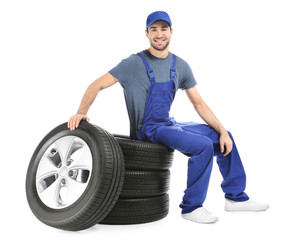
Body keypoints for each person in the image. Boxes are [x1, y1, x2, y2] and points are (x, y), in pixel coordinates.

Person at [68, 11, 269, 223]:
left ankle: (235, 198)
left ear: (171, 32)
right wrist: (82, 112)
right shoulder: (132, 64)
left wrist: (222, 129)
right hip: (148, 129)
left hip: (168, 123)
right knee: (202, 146)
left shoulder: (180, 65)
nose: (159, 34)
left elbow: (198, 103)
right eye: (153, 29)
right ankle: (191, 207)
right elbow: (96, 85)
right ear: (146, 33)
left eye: (164, 29)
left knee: (224, 135)